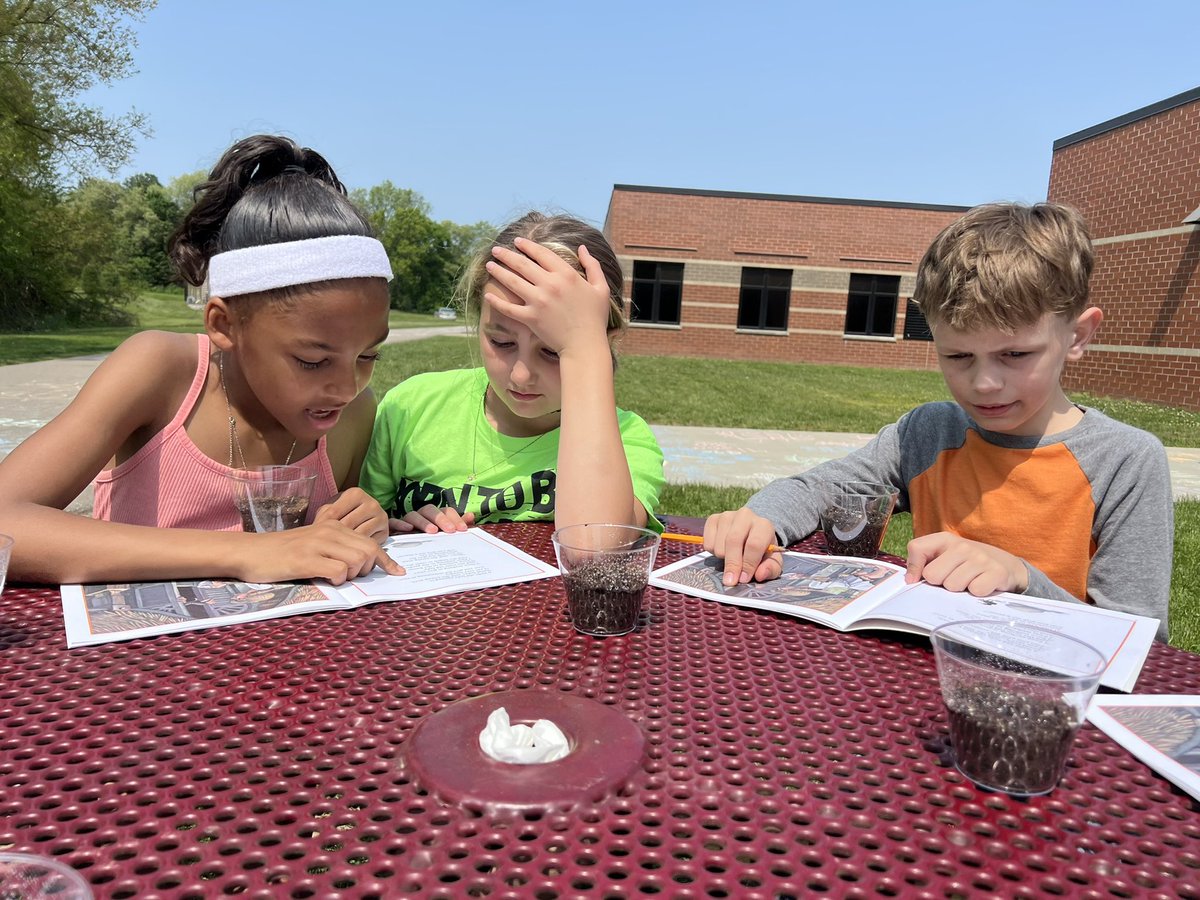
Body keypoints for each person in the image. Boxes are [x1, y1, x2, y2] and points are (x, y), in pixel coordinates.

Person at [703, 201, 1172, 638]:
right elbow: (820, 489)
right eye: (958, 355)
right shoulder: (928, 433)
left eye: (1014, 354)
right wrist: (761, 519)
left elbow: (1139, 639)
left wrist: (1022, 579)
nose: (985, 382)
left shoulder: (1125, 461)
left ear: (1078, 335)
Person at [0, 135, 403, 586]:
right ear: (224, 325)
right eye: (312, 360)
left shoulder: (354, 413)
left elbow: (328, 540)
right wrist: (246, 553)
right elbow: (6, 522)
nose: (347, 387)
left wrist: (363, 520)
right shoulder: (160, 371)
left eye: (368, 354)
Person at [360, 212, 664, 533]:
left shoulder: (626, 437)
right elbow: (360, 524)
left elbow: (597, 547)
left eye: (552, 350)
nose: (521, 376)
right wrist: (394, 529)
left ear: (604, 344)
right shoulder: (412, 407)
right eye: (501, 341)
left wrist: (585, 350)